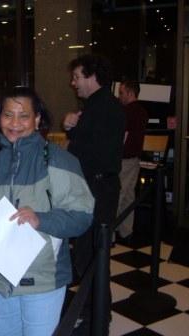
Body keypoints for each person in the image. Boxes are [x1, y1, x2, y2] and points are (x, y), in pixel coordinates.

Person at [0, 86, 94, 336]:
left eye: (23, 116)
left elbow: (82, 215)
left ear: (36, 119)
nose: (15, 123)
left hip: (43, 279)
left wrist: (41, 219)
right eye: (7, 115)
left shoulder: (58, 160)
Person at [63, 54, 125, 332]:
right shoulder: (100, 106)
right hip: (99, 188)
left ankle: (96, 316)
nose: (73, 82)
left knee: (92, 255)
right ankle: (94, 311)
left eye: (76, 76)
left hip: (98, 190)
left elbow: (90, 154)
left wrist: (72, 131)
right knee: (89, 254)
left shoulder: (104, 107)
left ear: (91, 76)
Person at [116, 80, 148, 240]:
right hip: (135, 159)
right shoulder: (142, 111)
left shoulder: (126, 112)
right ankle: (126, 230)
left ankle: (110, 234)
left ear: (130, 93)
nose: (119, 96)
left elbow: (122, 137)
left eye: (121, 92)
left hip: (124, 159)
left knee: (118, 195)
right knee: (129, 195)